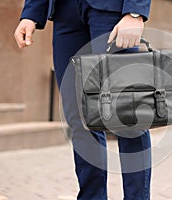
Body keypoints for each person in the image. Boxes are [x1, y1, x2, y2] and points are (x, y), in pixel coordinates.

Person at [14, 0, 152, 199]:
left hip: (111, 12)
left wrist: (135, 12)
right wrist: (31, 13)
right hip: (66, 15)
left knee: (127, 116)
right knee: (79, 118)